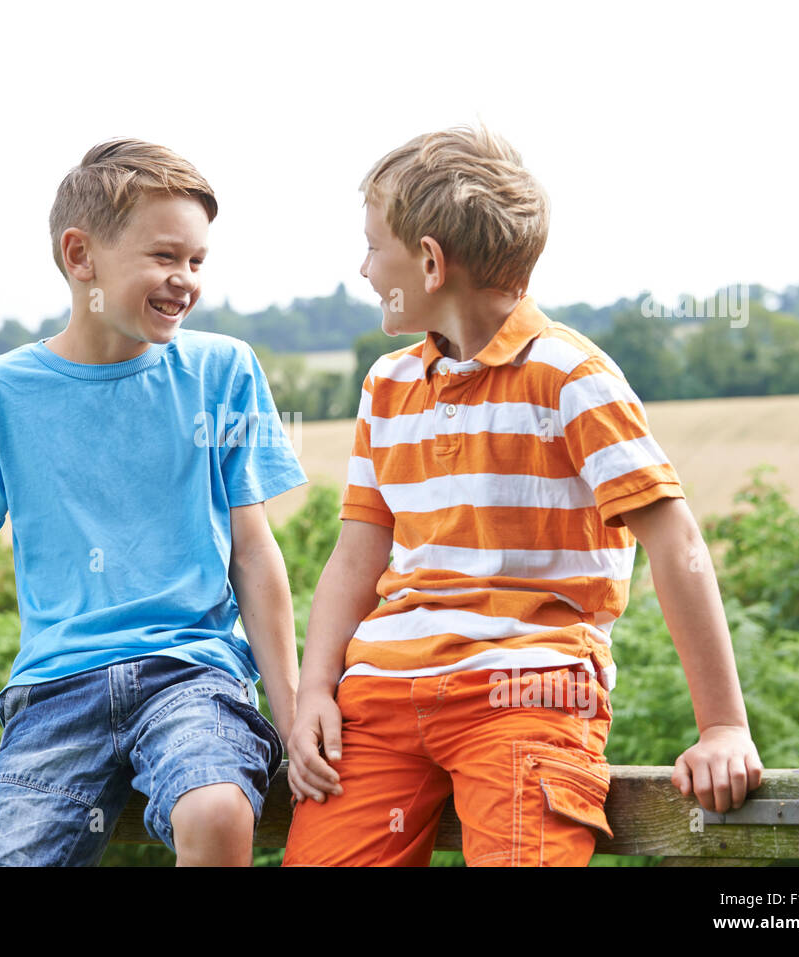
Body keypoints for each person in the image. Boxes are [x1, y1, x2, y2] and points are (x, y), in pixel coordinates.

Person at [282, 125, 764, 866]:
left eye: (375, 247)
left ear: (431, 262)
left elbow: (678, 543)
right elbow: (356, 555)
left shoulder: (572, 378)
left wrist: (723, 725)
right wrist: (315, 687)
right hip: (378, 701)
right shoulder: (387, 387)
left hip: (527, 692)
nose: (364, 267)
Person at [0, 138, 306, 866]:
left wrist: (292, 715)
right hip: (53, 697)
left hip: (196, 676)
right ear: (80, 255)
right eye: (165, 257)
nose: (185, 280)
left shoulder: (223, 370)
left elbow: (253, 551)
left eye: (197, 261)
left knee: (219, 807)